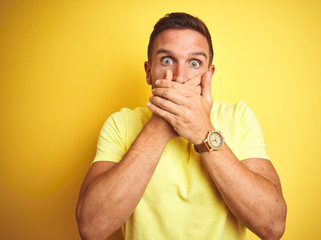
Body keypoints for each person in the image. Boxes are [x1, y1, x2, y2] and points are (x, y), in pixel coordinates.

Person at [76, 12, 287, 240]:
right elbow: (92, 228)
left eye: (194, 63)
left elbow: (273, 226)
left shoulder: (239, 117)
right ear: (148, 72)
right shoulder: (122, 124)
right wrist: (159, 127)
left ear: (209, 74)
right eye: (167, 60)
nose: (179, 77)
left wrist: (204, 132)